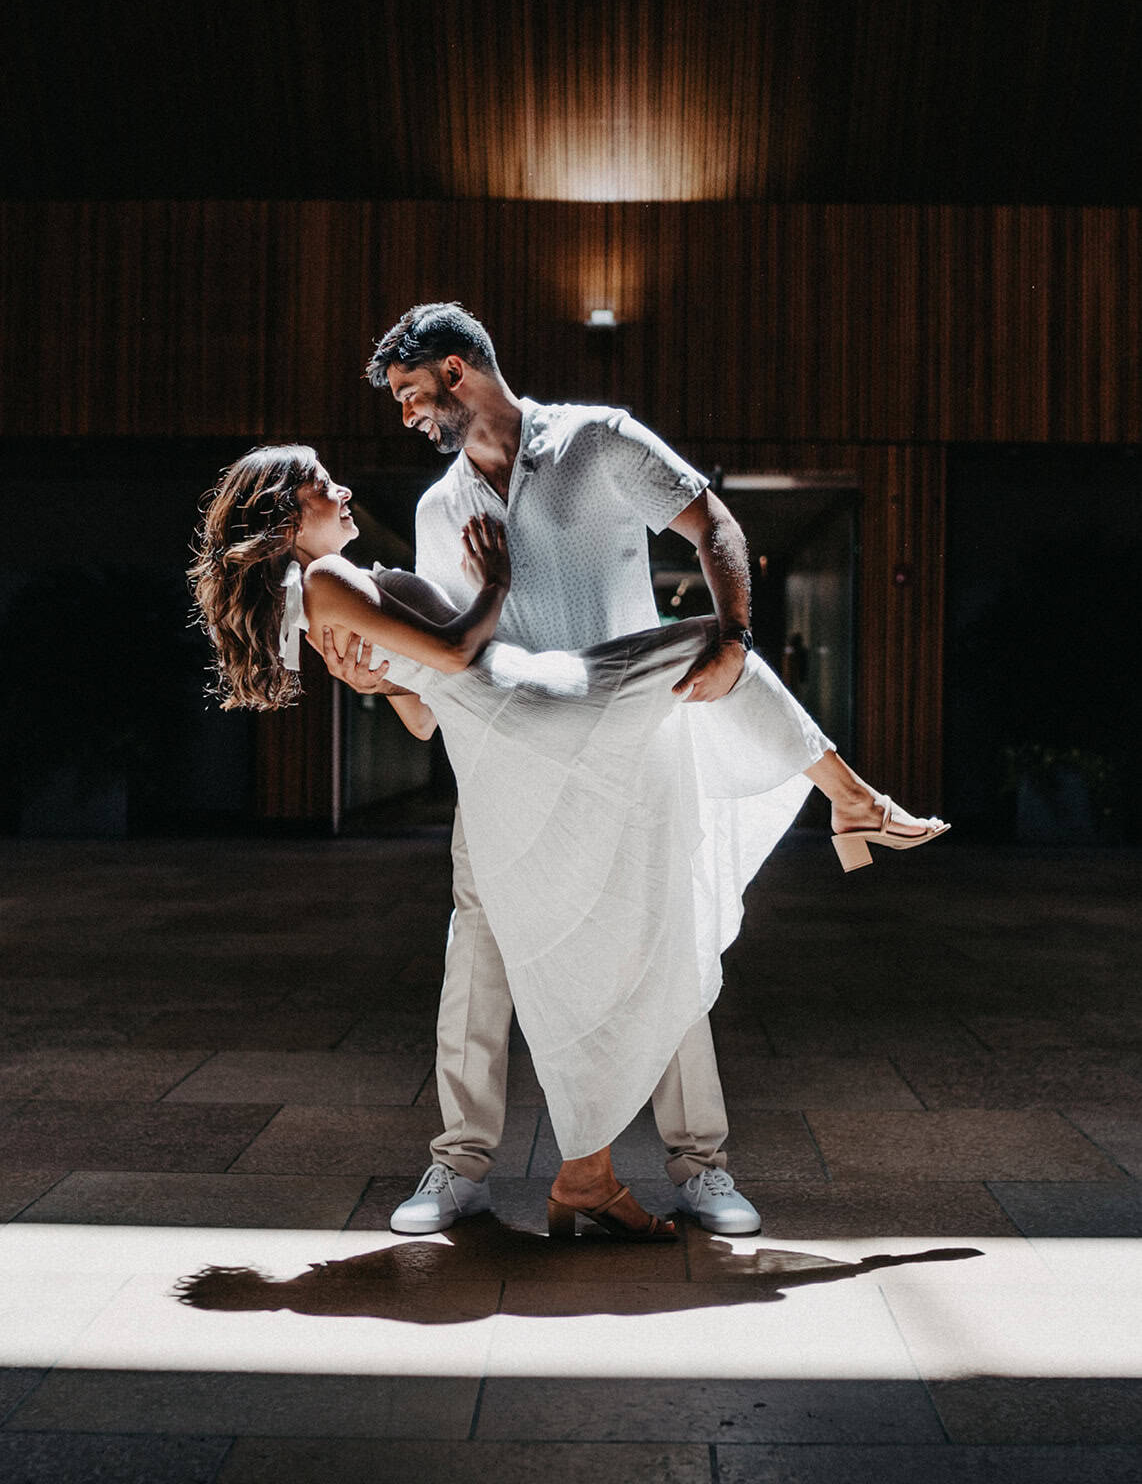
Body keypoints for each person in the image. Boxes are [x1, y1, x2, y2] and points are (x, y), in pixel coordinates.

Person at [190, 443, 948, 1242]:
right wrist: (485, 593)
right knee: (708, 645)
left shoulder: (339, 579)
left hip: (530, 704)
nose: (344, 485)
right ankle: (855, 802)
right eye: (322, 483)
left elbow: (426, 695)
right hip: (520, 711)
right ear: (284, 511)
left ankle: (649, 1165)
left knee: (655, 904)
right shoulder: (338, 576)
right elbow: (444, 672)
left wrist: (388, 678)